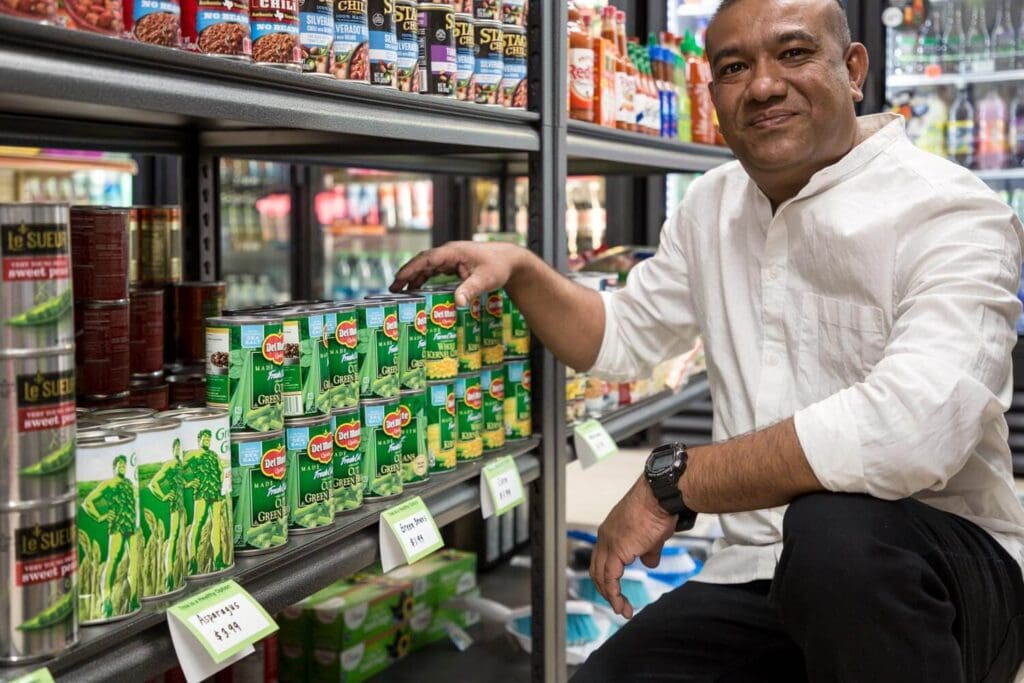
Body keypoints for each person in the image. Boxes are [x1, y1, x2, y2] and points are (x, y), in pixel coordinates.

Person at [390, 0, 1024, 679]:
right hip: (761, 572)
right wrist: (521, 268)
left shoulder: (952, 209)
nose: (763, 85)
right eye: (733, 66)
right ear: (712, 92)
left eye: (793, 53)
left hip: (941, 576)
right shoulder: (712, 206)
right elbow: (621, 337)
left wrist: (677, 484)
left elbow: (910, 427)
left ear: (854, 68)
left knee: (836, 532)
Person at [82, 453, 137, 617]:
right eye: (119, 465)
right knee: (113, 560)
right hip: (117, 525)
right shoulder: (109, 484)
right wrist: (101, 516)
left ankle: (133, 598)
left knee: (134, 559)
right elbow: (88, 502)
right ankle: (106, 600)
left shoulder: (128, 483)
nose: (122, 468)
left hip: (131, 524)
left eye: (124, 465)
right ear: (114, 467)